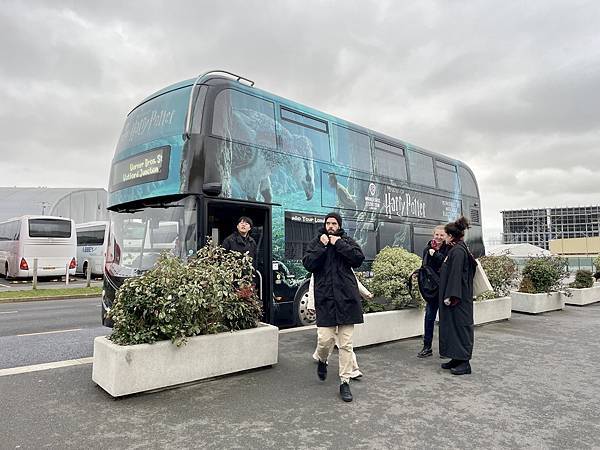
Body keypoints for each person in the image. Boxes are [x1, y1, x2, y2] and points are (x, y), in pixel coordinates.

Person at [302, 212, 365, 402]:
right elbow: (308, 264)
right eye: (328, 223)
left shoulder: (346, 241)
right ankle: (322, 360)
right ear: (324, 225)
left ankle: (344, 382)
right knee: (324, 340)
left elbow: (358, 259)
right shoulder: (316, 242)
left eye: (334, 223)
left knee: (346, 344)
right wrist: (322, 246)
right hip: (326, 300)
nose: (331, 226)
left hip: (347, 300)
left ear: (339, 225)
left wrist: (338, 243)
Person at [307, 271, 373, 379]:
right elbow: (314, 283)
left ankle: (351, 370)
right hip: (327, 307)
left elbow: (352, 279)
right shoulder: (321, 260)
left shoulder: (343, 258)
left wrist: (365, 293)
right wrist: (311, 304)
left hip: (344, 306)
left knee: (345, 342)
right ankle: (321, 358)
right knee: (326, 339)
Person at [438, 217, 476, 375]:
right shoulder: (457, 248)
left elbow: (456, 275)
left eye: (446, 235)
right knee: (452, 328)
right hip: (456, 298)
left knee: (460, 327)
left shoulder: (458, 251)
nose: (444, 238)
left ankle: (464, 363)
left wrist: (451, 296)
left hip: (458, 299)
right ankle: (456, 358)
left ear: (451, 236)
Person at [417, 225, 449, 358]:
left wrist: (435, 254)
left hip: (445, 288)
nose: (439, 237)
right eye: (437, 235)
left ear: (446, 236)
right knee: (429, 318)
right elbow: (424, 266)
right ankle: (427, 346)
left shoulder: (449, 248)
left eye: (442, 235)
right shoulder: (427, 248)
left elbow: (447, 264)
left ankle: (445, 349)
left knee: (445, 320)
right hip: (432, 289)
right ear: (433, 234)